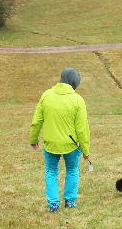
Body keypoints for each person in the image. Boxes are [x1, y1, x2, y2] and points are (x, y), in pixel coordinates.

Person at [29, 67, 90, 212]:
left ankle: (53, 204)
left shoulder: (46, 95)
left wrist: (34, 138)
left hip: (51, 144)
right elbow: (82, 129)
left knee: (51, 171)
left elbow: (37, 120)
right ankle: (69, 201)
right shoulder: (77, 100)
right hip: (72, 145)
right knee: (72, 170)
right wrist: (86, 150)